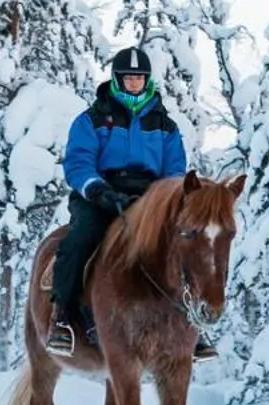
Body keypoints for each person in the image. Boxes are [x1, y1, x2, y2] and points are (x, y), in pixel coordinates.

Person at [51, 45, 213, 361]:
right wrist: (98, 190)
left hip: (150, 198)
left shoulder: (164, 125)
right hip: (100, 193)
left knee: (185, 244)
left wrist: (161, 199)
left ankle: (191, 323)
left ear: (147, 79)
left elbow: (175, 170)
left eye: (139, 77)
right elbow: (78, 162)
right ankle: (63, 315)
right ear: (117, 80)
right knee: (82, 237)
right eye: (129, 78)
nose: (135, 83)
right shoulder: (92, 119)